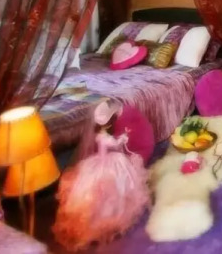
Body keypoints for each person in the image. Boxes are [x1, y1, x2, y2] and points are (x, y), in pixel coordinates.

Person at [52, 100, 150, 251]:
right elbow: (115, 144)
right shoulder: (106, 137)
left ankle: (98, 217)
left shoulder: (98, 136)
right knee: (113, 188)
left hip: (98, 162)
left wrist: (120, 139)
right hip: (109, 163)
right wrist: (123, 139)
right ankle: (111, 217)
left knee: (95, 191)